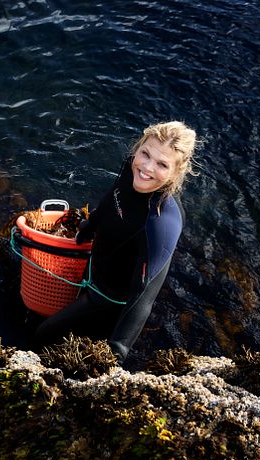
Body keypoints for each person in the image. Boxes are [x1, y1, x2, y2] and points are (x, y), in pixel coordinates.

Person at [31, 121, 197, 363]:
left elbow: (144, 294)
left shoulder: (162, 221)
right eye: (145, 153)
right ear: (138, 148)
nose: (147, 168)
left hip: (106, 301)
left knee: (42, 334)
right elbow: (114, 196)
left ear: (176, 172)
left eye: (162, 164)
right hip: (93, 272)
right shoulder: (133, 168)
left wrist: (118, 347)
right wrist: (92, 224)